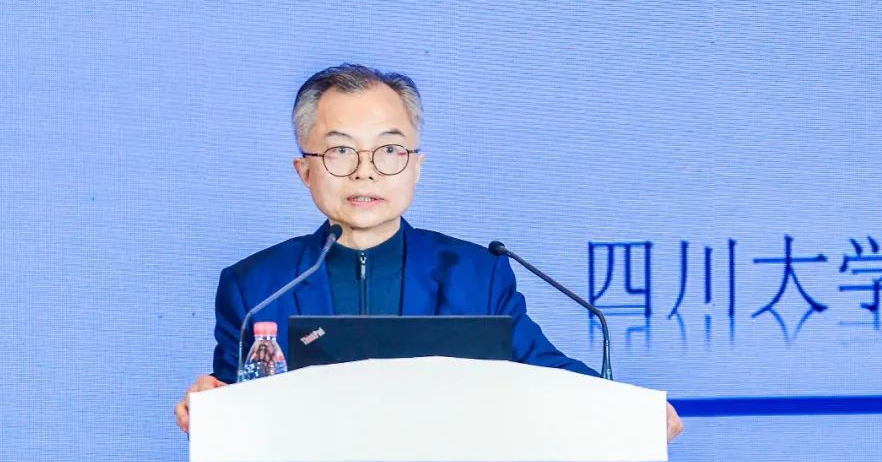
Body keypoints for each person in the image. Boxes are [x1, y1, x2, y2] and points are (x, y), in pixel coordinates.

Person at [175, 64, 683, 441]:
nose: (365, 171)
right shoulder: (257, 286)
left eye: (389, 150)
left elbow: (543, 372)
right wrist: (209, 405)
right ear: (305, 170)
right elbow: (235, 405)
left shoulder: (477, 275)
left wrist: (628, 408)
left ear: (417, 166)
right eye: (340, 150)